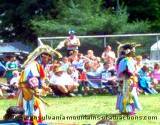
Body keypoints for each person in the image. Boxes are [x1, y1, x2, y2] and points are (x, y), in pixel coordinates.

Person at [17, 42, 61, 125]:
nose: (49, 61)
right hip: (28, 93)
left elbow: (37, 80)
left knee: (36, 111)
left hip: (30, 92)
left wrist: (44, 87)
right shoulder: (33, 65)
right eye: (48, 58)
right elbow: (31, 79)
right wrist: (36, 89)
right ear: (43, 56)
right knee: (30, 112)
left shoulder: (37, 65)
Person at [116, 43, 142, 115]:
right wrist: (132, 74)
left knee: (126, 94)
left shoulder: (127, 59)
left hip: (128, 79)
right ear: (128, 51)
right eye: (133, 50)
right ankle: (128, 110)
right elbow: (124, 71)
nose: (134, 52)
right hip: (127, 79)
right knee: (128, 94)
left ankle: (124, 110)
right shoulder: (125, 60)